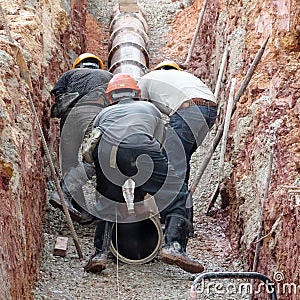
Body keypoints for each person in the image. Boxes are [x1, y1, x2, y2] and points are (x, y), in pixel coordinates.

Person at [83, 73, 205, 274]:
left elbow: (95, 141)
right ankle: (174, 246)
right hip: (143, 147)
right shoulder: (150, 109)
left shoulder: (103, 114)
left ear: (111, 97)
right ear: (137, 94)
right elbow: (157, 145)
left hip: (107, 151)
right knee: (178, 194)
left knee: (107, 201)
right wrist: (143, 197)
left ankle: (99, 254)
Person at [138, 60, 218, 227]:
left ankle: (173, 222)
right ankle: (184, 221)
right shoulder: (186, 78)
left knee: (172, 167)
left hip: (188, 109)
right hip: (209, 111)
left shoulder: (146, 79)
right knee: (181, 163)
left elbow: (141, 114)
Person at [49, 53, 113, 224]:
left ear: (78, 65)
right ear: (98, 66)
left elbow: (57, 95)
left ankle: (77, 207)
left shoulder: (68, 75)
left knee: (69, 161)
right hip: (94, 113)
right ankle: (100, 208)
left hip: (69, 118)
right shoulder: (108, 76)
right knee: (95, 159)